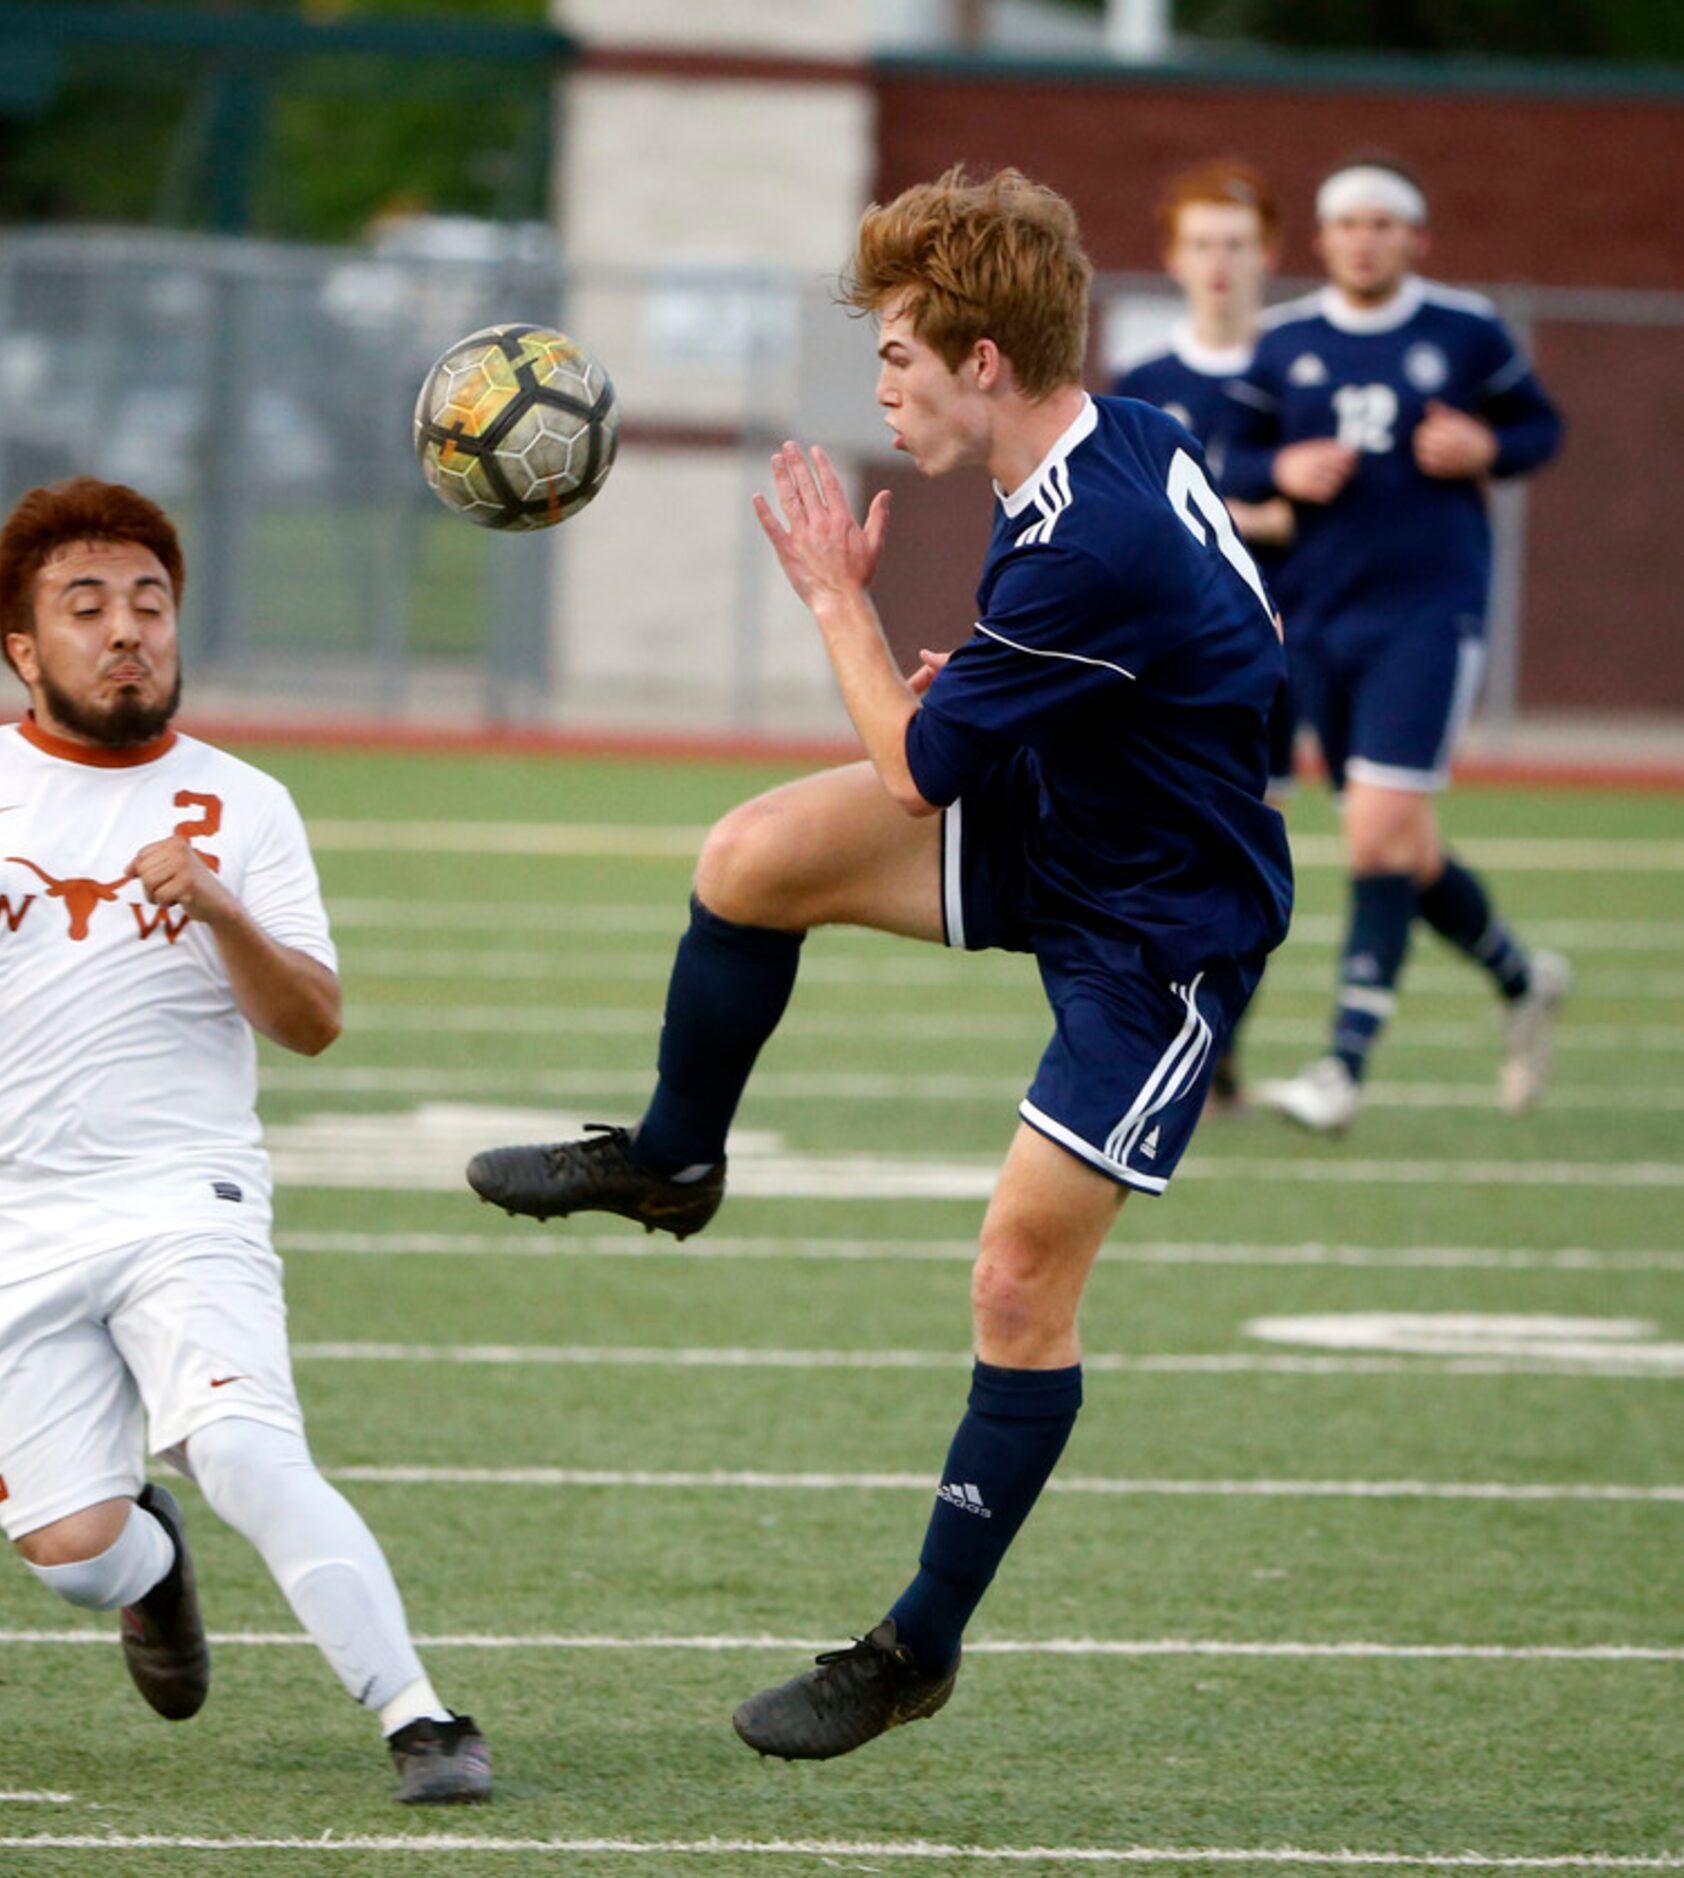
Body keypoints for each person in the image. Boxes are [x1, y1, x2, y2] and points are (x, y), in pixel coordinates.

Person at [468, 168, 1292, 1760]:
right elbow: (1229, 629)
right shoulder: (1119, 444)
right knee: (752, 857)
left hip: (1162, 934)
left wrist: (843, 601)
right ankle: (672, 1157)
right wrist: (1025, 692)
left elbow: (917, 769)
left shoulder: (1092, 529)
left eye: (901, 353)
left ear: (986, 357)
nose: (883, 385)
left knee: (1015, 1279)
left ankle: (915, 1643)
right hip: (1075, 819)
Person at [0, 476, 490, 1805]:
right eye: (87, 606)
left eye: (149, 602)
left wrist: (224, 914)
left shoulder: (243, 805)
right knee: (77, 1554)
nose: (127, 629)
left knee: (246, 1445)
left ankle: (420, 1713)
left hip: (185, 1193)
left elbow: (313, 1023)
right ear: (24, 645)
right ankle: (155, 1564)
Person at [1224, 156, 1568, 1132]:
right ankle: (1519, 976)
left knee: (1374, 832)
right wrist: (1278, 464)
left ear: (1415, 239)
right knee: (1403, 846)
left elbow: (1541, 428)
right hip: (1320, 618)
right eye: (1348, 224)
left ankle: (1342, 1069)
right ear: (1323, 241)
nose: (1364, 239)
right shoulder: (1285, 342)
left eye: (1384, 223)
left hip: (1428, 613)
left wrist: (1489, 449)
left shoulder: (1462, 329)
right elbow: (1229, 455)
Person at [1113, 157, 1296, 1112]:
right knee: (1160, 839)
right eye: (1200, 243)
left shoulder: (1299, 371)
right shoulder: (1145, 383)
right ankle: (1173, 1033)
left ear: (1268, 253)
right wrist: (1253, 513)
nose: (1219, 262)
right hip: (1171, 656)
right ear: (1172, 257)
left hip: (1281, 645)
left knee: (1255, 850)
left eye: (1236, 243)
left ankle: (1217, 1047)